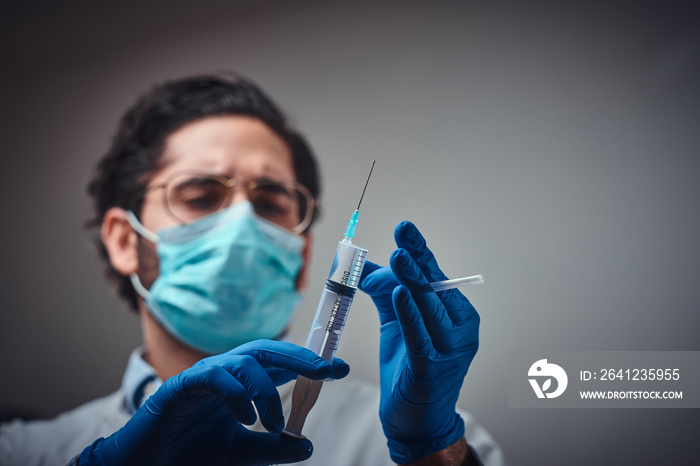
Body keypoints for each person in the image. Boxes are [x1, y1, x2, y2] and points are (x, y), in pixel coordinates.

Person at [0, 74, 506, 466]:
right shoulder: (26, 450)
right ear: (124, 239)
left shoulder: (401, 443)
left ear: (304, 256)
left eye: (269, 204)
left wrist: (430, 452)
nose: (241, 222)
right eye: (200, 196)